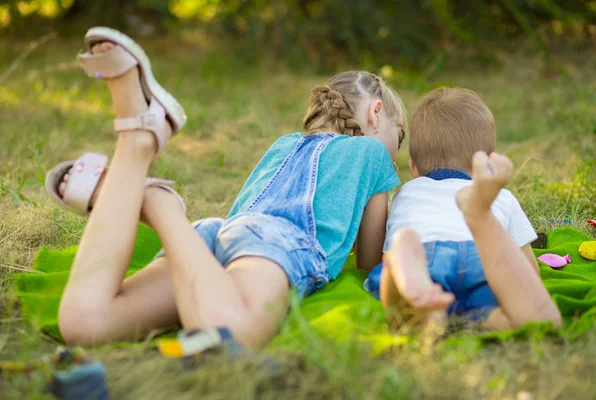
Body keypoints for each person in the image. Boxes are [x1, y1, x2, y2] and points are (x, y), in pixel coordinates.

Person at [45, 27, 407, 349]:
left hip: (219, 235)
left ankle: (135, 142)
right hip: (279, 245)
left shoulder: (286, 143)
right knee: (233, 333)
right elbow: (369, 263)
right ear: (376, 114)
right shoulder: (374, 153)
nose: (396, 153)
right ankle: (158, 204)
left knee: (86, 324)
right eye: (399, 137)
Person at [365, 88, 562, 331]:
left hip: (425, 253)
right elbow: (529, 271)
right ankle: (485, 317)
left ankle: (423, 302)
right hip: (481, 257)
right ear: (487, 161)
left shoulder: (407, 192)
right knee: (521, 318)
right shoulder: (501, 196)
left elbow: (381, 253)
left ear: (414, 168)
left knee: (390, 275)